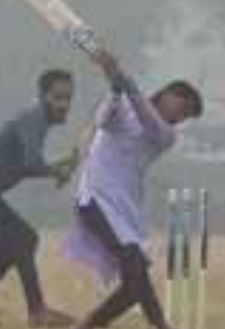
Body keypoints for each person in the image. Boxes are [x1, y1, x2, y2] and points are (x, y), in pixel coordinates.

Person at [61, 46, 203, 329]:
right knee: (136, 268)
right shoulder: (124, 103)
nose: (180, 118)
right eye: (182, 108)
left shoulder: (165, 135)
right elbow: (101, 121)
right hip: (95, 199)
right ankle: (159, 324)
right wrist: (115, 87)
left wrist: (122, 79)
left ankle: (90, 324)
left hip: (124, 209)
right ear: (168, 95)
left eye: (186, 116)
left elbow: (147, 118)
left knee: (134, 281)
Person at [0, 68, 81, 327]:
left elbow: (23, 167)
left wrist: (59, 165)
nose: (64, 104)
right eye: (57, 97)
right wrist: (55, 170)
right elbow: (32, 162)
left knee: (2, 256)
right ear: (42, 96)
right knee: (25, 239)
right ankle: (37, 313)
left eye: (68, 98)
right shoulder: (34, 117)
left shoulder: (38, 121)